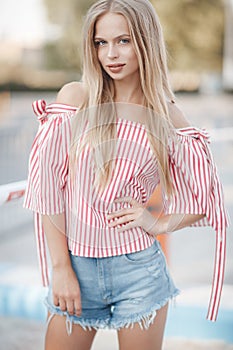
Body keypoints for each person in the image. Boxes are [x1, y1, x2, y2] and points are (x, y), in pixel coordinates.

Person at [24, 0, 228, 349]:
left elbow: (207, 196)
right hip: (75, 265)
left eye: (124, 40)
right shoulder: (76, 99)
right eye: (100, 43)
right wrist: (61, 268)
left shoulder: (168, 116)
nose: (111, 54)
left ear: (146, 42)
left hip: (140, 273)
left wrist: (157, 223)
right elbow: (47, 187)